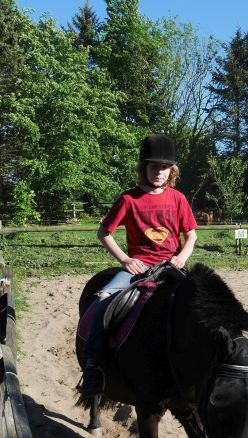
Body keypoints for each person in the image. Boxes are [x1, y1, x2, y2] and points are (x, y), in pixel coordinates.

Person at [80, 133, 198, 400]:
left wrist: (181, 258)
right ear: (143, 168)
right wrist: (125, 259)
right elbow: (103, 233)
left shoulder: (178, 199)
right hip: (139, 267)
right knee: (103, 298)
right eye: (154, 166)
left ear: (172, 170)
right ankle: (93, 367)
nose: (159, 172)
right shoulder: (128, 200)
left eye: (165, 167)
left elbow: (191, 236)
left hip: (171, 266)